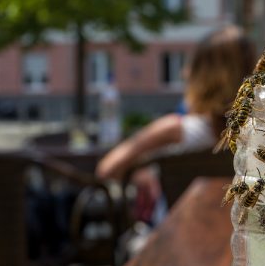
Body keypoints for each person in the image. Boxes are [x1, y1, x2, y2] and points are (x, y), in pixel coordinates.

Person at [96, 26, 255, 221]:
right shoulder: (260, 136)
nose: (183, 72)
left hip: (177, 242)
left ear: (201, 77)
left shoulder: (175, 130)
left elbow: (107, 169)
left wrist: (139, 173)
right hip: (236, 242)